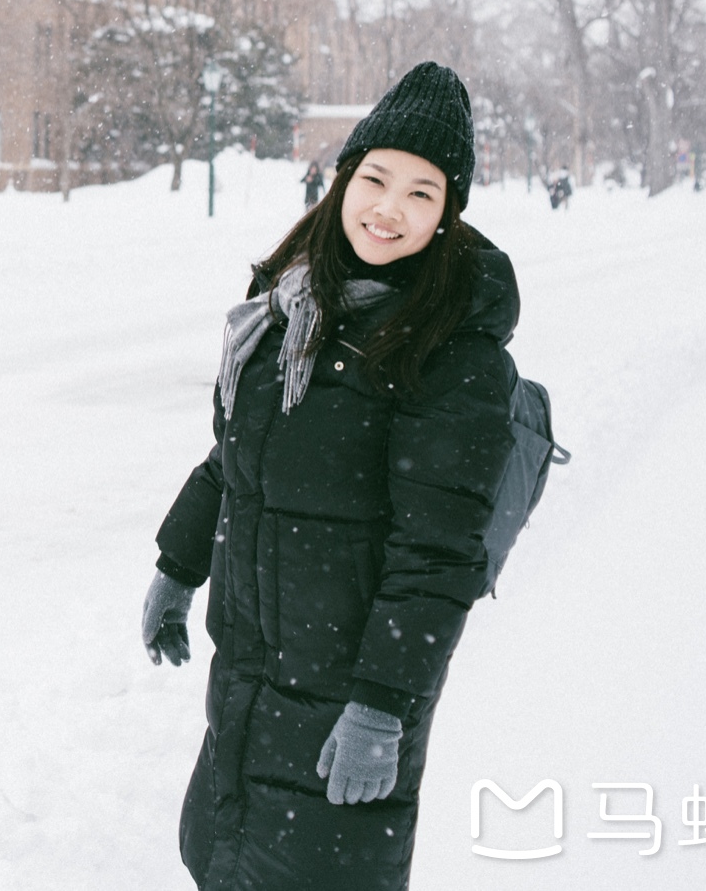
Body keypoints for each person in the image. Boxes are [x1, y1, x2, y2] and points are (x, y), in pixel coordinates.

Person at [141, 61, 520, 891]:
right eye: (376, 177)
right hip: (249, 676)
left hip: (348, 697)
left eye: (422, 193)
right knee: (223, 858)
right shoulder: (285, 308)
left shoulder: (452, 350)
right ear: (343, 177)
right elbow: (233, 462)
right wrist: (177, 566)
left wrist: (383, 707)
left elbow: (437, 553)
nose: (389, 207)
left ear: (447, 212)